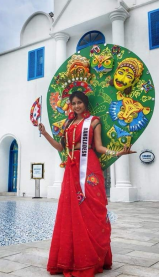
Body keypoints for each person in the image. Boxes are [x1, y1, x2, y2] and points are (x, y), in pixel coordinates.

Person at [39, 91, 136, 277]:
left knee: (91, 209)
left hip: (88, 167)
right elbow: (61, 148)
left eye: (79, 102)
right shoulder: (66, 123)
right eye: (73, 103)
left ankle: (92, 258)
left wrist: (118, 153)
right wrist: (44, 134)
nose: (76, 106)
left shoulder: (93, 121)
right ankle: (71, 258)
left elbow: (98, 147)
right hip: (71, 168)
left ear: (85, 103)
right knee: (69, 211)